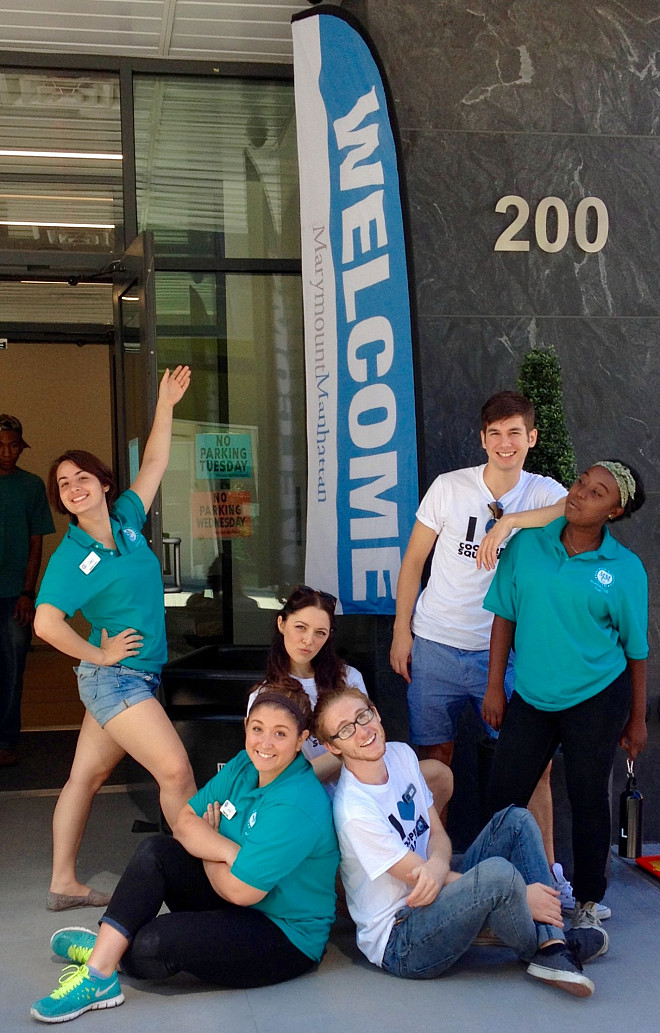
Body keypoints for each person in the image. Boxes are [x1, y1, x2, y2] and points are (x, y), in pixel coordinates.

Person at [30, 682, 339, 1024]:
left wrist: (207, 844)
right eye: (258, 729)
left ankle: (107, 948)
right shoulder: (244, 765)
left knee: (152, 944)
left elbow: (242, 891)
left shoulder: (296, 802)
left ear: (301, 739)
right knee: (156, 851)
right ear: (246, 726)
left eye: (280, 734)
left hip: (283, 935)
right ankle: (99, 975)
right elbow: (184, 822)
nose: (265, 743)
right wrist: (225, 849)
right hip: (234, 897)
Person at [314, 685, 607, 997]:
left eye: (363, 716)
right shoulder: (354, 810)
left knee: (516, 820)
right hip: (402, 939)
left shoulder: (400, 755)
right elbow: (419, 879)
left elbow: (436, 834)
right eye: (345, 730)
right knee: (499, 877)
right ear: (333, 746)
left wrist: (436, 864)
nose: (362, 731)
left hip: (435, 895)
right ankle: (546, 945)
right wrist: (523, 895)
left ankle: (551, 944)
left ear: (376, 713)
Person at [34, 366, 196, 912]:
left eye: (81, 477)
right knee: (175, 771)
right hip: (116, 679)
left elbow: (154, 463)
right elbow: (45, 624)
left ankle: (63, 883)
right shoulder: (71, 558)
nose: (74, 488)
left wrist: (165, 404)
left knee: (85, 776)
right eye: (63, 485)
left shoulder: (126, 518)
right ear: (62, 500)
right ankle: (201, 879)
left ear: (103, 483)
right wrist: (100, 653)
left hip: (131, 676)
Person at [483, 461, 647, 935]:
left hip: (597, 696)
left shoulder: (624, 569)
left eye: (597, 493)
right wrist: (495, 686)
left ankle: (589, 903)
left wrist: (637, 718)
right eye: (581, 483)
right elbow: (504, 616)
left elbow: (636, 650)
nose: (580, 494)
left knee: (587, 797)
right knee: (503, 798)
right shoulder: (529, 544)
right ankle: (495, 894)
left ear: (614, 512)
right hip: (533, 694)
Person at [250, 584, 453, 811]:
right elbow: (277, 774)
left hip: (364, 782)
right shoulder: (264, 696)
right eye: (300, 627)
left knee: (439, 774)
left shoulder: (347, 677)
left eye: (320, 633)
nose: (308, 640)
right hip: (309, 799)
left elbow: (368, 741)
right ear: (282, 624)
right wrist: (345, 753)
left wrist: (345, 754)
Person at [0, 414, 54, 766]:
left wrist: (28, 593)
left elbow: (37, 544)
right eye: (1, 445)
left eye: (14, 445)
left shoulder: (31, 486)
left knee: (12, 669)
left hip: (15, 594)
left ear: (22, 447)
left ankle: (6, 740)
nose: (7, 452)